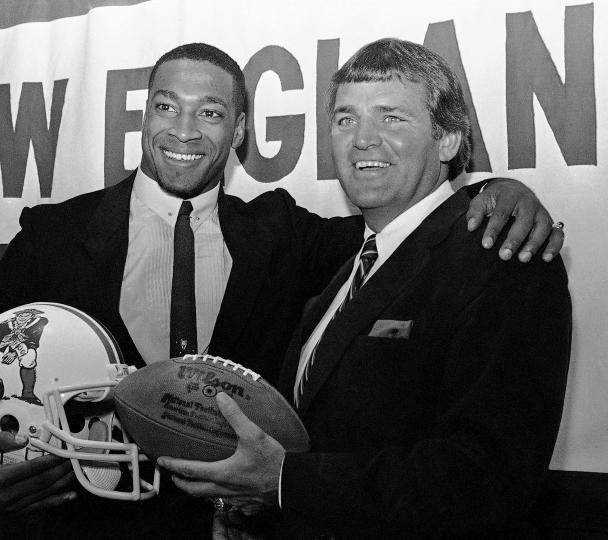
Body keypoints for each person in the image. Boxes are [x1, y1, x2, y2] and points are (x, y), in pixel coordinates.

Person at [0, 43, 564, 538]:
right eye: (166, 107)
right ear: (144, 116)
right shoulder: (54, 233)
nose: (184, 130)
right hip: (81, 532)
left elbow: (413, 223)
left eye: (211, 113)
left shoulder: (282, 234)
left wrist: (491, 189)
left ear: (239, 134)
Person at [159, 38, 572, 539]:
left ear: (448, 140)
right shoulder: (348, 269)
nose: (362, 140)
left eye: (391, 117)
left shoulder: (504, 257)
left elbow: (489, 477)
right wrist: (259, 507)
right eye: (346, 119)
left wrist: (285, 483)